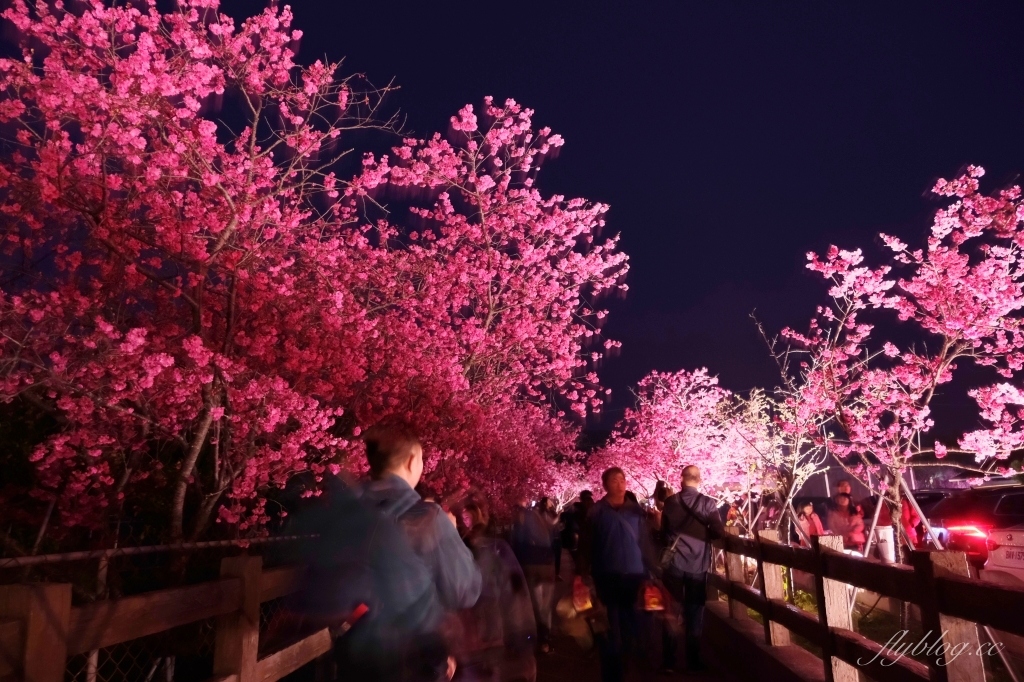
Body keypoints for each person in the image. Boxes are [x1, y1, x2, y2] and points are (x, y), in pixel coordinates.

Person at [353, 424, 483, 681]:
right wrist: (450, 534)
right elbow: (464, 591)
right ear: (413, 461)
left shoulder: (347, 514)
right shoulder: (429, 519)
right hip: (413, 657)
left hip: (356, 651)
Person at [578, 467, 658, 682]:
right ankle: (612, 672)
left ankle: (630, 663)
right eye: (614, 480)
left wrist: (651, 572)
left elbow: (646, 544)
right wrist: (583, 574)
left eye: (622, 479)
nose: (620, 483)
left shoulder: (637, 512)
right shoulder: (596, 512)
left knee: (635, 626)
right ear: (604, 485)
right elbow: (586, 546)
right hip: (607, 577)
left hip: (635, 577)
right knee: (609, 627)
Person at [455, 496, 537, 682]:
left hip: (476, 637)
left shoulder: (493, 549)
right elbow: (516, 594)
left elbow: (515, 594)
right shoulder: (495, 548)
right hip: (482, 635)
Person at [659, 465, 726, 673]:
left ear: (681, 479)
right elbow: (718, 531)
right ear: (699, 480)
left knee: (672, 609)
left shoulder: (670, 502)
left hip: (675, 563)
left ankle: (669, 662)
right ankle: (693, 661)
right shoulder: (707, 503)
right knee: (695, 611)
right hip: (698, 564)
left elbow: (663, 533)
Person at [510, 498, 557, 653]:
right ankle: (547, 638)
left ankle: (540, 638)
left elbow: (516, 545)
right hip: (547, 564)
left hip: (530, 565)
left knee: (535, 605)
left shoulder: (520, 521)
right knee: (546, 606)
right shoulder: (542, 519)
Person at [539, 497, 564, 580]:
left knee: (558, 557)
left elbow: (556, 524)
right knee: (550, 557)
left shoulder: (551, 512)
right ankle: (549, 574)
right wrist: (560, 514)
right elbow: (551, 523)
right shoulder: (544, 513)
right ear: (545, 503)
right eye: (549, 500)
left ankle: (556, 574)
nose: (551, 501)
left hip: (557, 536)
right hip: (550, 538)